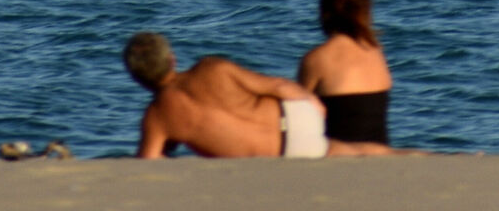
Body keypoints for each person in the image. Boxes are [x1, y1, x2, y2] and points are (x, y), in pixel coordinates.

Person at [125, 31, 387, 158]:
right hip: (297, 114)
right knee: (365, 152)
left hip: (284, 153)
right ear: (172, 59)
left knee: (346, 152)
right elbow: (276, 86)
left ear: (136, 79)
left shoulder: (157, 116)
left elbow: (149, 162)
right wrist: (312, 103)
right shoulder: (212, 67)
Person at [297, 0, 393, 147]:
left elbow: (298, 118)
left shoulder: (317, 59)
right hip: (380, 154)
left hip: (337, 156)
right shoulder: (377, 55)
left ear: (324, 12)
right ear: (365, 12)